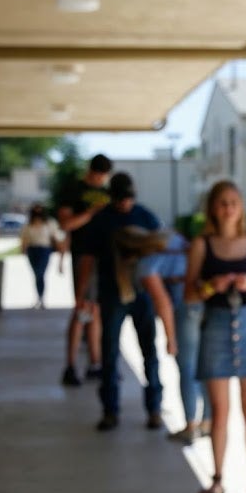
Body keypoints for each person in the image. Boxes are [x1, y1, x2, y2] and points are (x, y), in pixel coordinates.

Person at [185, 181, 246, 493]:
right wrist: (212, 287)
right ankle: (217, 479)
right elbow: (189, 294)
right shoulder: (202, 244)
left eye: (234, 202)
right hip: (215, 327)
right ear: (213, 207)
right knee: (219, 413)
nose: (228, 208)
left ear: (242, 206)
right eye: (222, 202)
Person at [75, 172, 172, 432]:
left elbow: (162, 247)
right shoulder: (101, 220)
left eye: (129, 199)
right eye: (121, 200)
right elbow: (87, 259)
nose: (125, 205)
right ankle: (110, 411)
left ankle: (154, 409)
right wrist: (82, 294)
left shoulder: (145, 215)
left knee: (149, 352)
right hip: (111, 293)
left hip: (142, 293)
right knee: (109, 354)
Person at [144, 227, 213, 444]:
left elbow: (163, 303)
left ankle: (190, 425)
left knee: (187, 367)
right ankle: (208, 421)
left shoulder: (147, 262)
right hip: (206, 304)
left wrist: (170, 338)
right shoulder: (180, 242)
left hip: (186, 308)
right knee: (204, 367)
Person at [57, 154, 112, 386]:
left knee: (95, 311)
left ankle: (95, 364)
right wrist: (91, 213)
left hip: (104, 257)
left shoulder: (108, 194)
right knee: (82, 309)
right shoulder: (74, 190)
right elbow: (66, 224)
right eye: (97, 174)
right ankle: (70, 365)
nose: (100, 179)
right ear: (91, 171)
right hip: (83, 256)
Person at [19, 203, 64, 309]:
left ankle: (41, 297)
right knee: (36, 274)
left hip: (44, 250)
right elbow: (24, 238)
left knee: (40, 273)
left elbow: (56, 237)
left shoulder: (50, 223)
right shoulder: (28, 224)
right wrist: (23, 249)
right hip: (32, 250)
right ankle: (39, 297)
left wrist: (61, 252)